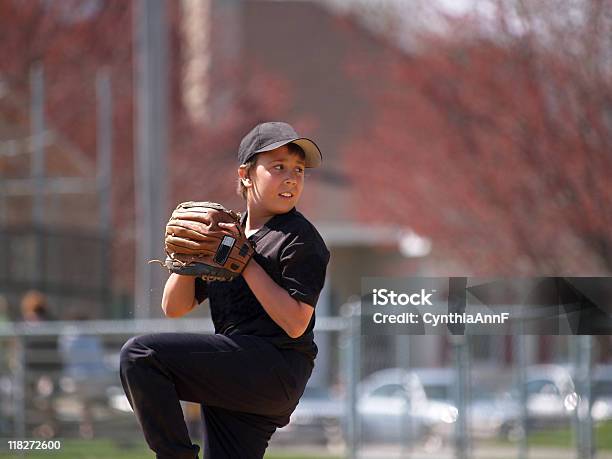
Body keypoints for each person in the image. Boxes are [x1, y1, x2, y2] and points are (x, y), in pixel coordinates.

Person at [120, 121, 330, 459]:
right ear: (246, 174)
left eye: (299, 169)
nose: (292, 177)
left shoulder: (299, 238)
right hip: (234, 371)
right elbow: (174, 307)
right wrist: (187, 259)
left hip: (273, 368)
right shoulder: (226, 236)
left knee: (141, 356)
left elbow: (295, 323)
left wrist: (246, 264)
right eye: (278, 167)